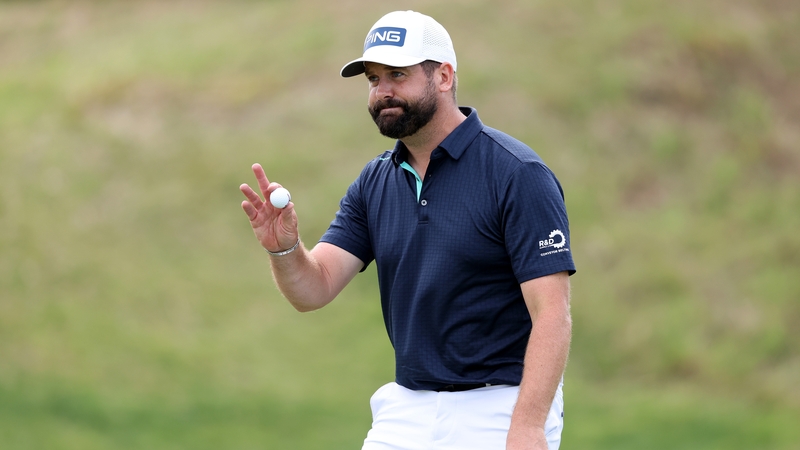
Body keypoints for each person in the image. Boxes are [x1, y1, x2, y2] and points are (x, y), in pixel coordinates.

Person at [239, 10, 575, 450]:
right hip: (407, 407)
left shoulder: (517, 173)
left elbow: (552, 313)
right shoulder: (374, 181)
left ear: (444, 77)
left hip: (501, 405)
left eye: (398, 74)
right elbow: (313, 290)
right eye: (374, 79)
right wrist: (284, 250)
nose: (383, 91)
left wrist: (528, 426)